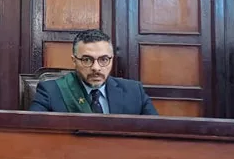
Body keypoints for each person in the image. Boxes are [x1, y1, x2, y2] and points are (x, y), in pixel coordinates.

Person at [29, 29, 157, 115]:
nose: (96, 67)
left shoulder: (134, 92)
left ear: (112, 59)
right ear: (74, 60)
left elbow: (156, 134)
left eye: (104, 59)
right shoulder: (51, 92)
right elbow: (33, 133)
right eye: (87, 60)